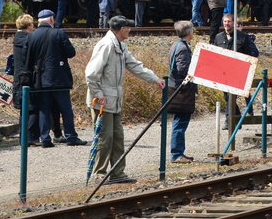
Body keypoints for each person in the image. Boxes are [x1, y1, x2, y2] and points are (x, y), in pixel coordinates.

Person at [85, 16, 164, 184]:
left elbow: (135, 66)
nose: (130, 30)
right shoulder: (106, 46)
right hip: (102, 102)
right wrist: (98, 94)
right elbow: (91, 74)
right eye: (128, 27)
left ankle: (117, 173)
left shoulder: (120, 46)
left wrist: (154, 78)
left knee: (117, 137)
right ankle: (99, 174)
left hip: (114, 101)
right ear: (121, 29)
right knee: (104, 138)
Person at [25, 9, 86, 147]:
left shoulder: (31, 36)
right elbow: (71, 53)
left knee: (44, 109)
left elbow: (27, 59)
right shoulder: (59, 33)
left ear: (39, 21)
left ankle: (45, 138)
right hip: (59, 78)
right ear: (51, 20)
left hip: (40, 79)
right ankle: (71, 136)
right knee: (65, 109)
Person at [212, 12, 258, 128]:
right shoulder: (218, 37)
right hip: (224, 73)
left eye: (229, 21)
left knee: (232, 95)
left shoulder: (243, 37)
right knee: (228, 96)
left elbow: (254, 53)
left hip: (238, 72)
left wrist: (243, 62)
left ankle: (228, 120)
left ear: (234, 23)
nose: (227, 24)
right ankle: (237, 118)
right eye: (225, 21)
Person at [167, 20, 198, 163]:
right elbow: (182, 70)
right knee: (180, 122)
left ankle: (179, 152)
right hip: (182, 91)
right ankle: (177, 154)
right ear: (188, 32)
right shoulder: (183, 49)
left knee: (178, 121)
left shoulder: (176, 45)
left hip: (176, 88)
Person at [10, 13, 42, 144]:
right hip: (26, 78)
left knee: (25, 110)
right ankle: (30, 137)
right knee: (32, 107)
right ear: (29, 26)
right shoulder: (27, 40)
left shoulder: (18, 38)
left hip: (19, 78)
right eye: (32, 24)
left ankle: (24, 137)